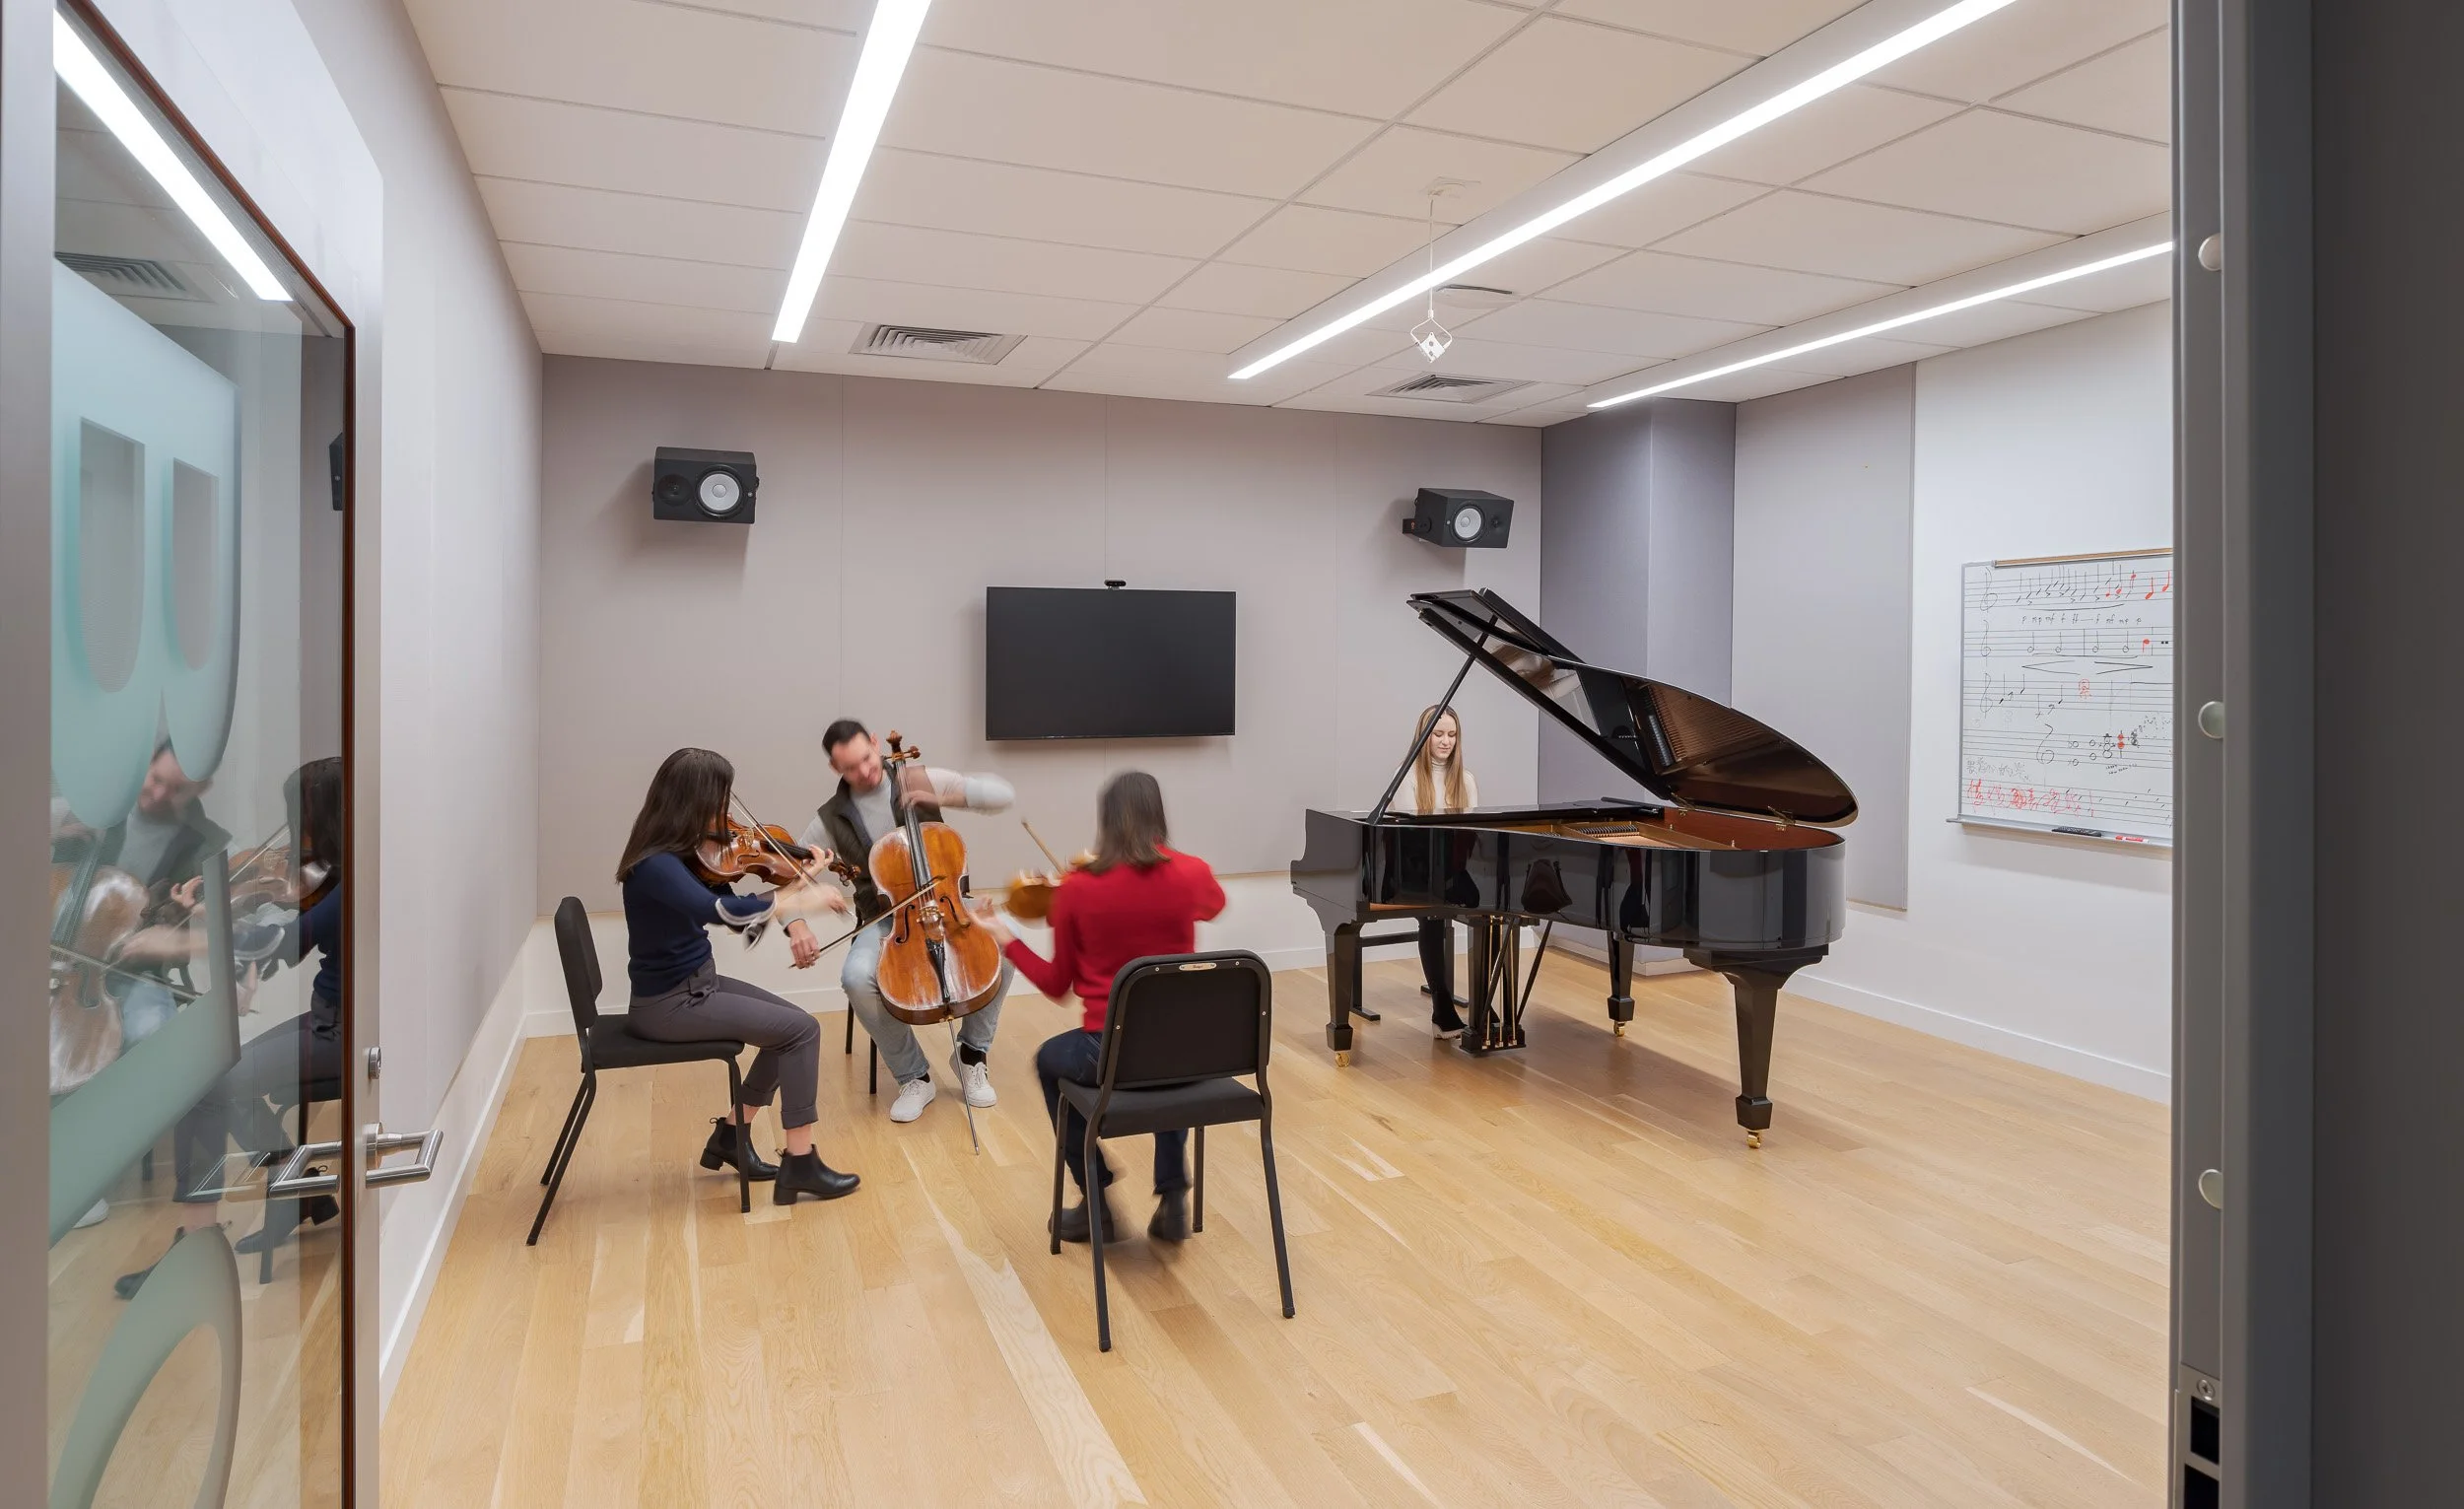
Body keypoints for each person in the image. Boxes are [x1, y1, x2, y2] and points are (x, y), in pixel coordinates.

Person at [121, 757, 343, 1296]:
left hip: (343, 1033)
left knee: (203, 1088)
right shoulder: (335, 873)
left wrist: (177, 941)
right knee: (221, 1071)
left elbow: (279, 943)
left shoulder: (352, 881)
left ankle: (195, 1244)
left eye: (301, 817)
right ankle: (300, 1192)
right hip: (329, 1018)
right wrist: (206, 914)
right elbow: (273, 933)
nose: (296, 835)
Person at [974, 772, 1225, 1244]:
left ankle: (1096, 1201)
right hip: (1193, 1054)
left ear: (1106, 821)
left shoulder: (1077, 890)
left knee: (1049, 1060)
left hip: (1108, 1055)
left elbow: (1056, 986)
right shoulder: (1191, 872)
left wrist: (1005, 936)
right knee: (1165, 1048)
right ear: (1158, 815)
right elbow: (1212, 904)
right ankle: (1173, 1197)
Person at [618, 747, 859, 1204]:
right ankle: (800, 1164)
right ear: (692, 800)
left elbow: (742, 911)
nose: (726, 815)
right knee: (802, 1031)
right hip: (671, 1004)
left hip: (696, 984)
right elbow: (724, 913)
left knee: (790, 1025)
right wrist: (801, 900)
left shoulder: (683, 857)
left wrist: (796, 877)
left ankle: (732, 1136)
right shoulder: (655, 866)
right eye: (719, 800)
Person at [791, 720, 1015, 1125]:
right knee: (857, 978)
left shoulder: (917, 777)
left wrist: (953, 794)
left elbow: (1002, 796)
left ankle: (971, 1053)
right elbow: (791, 875)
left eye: (867, 758)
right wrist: (798, 926)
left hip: (951, 908)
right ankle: (914, 1075)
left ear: (876, 743)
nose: (865, 772)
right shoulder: (830, 818)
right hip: (887, 923)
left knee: (1008, 945)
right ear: (835, 769)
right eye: (851, 768)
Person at [1408, 706, 1478, 1037]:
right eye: (1438, 734)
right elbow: (1405, 843)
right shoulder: (1406, 777)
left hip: (1456, 869)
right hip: (1417, 872)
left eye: (1452, 735)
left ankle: (1485, 998)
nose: (1446, 741)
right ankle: (1441, 1006)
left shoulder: (1466, 780)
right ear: (1424, 736)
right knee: (1434, 914)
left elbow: (1474, 838)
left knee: (1492, 911)